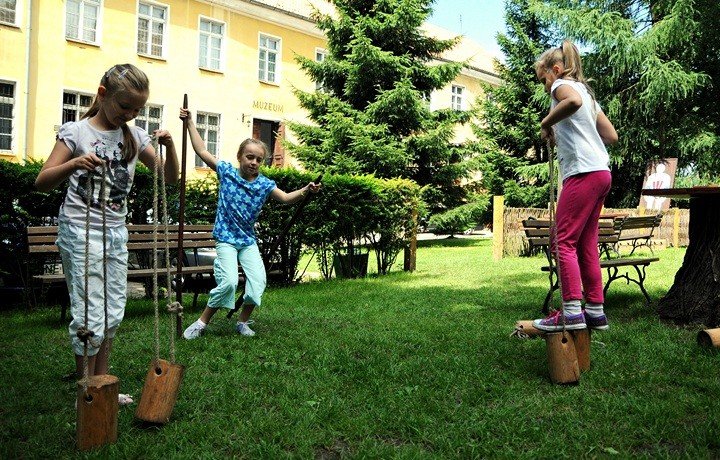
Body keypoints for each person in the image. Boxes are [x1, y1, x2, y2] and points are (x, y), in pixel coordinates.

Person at [35, 64, 179, 404]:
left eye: (136, 110)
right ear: (102, 95)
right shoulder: (75, 132)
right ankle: (88, 387)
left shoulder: (135, 137)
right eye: (124, 107)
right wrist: (74, 164)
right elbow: (42, 180)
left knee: (113, 310)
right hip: (79, 230)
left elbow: (169, 178)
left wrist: (170, 147)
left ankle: (102, 384)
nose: (129, 115)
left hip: (115, 232)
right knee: (89, 311)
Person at [179, 108, 320, 339]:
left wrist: (306, 190)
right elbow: (202, 150)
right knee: (229, 282)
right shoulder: (227, 173)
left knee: (257, 281)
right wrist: (190, 123)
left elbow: (284, 198)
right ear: (240, 157)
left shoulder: (264, 184)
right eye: (249, 157)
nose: (253, 162)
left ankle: (242, 322)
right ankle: (202, 322)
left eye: (258, 159)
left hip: (246, 241)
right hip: (226, 239)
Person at [532, 40, 619, 332]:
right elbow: (610, 135)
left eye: (543, 79)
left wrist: (547, 123)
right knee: (585, 243)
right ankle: (595, 311)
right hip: (600, 172)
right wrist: (571, 130)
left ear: (555, 70)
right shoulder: (589, 95)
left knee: (562, 241)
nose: (545, 87)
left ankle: (570, 312)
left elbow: (572, 103)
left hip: (582, 172)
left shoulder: (562, 87)